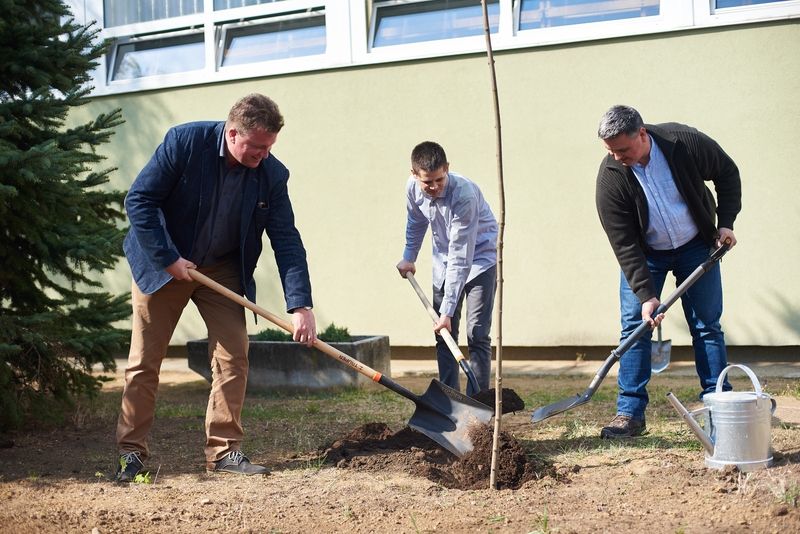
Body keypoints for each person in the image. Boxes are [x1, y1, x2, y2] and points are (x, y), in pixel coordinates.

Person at [115, 93, 316, 481]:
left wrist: (301, 305)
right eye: (256, 146)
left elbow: (287, 238)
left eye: (269, 147)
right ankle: (131, 453)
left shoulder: (272, 174)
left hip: (221, 270)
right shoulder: (185, 143)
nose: (263, 154)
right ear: (232, 132)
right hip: (166, 264)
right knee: (146, 361)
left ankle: (224, 451)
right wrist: (168, 258)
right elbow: (139, 200)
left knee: (233, 354)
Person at [595, 105, 741, 438]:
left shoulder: (684, 143)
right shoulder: (611, 179)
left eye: (623, 149)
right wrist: (646, 295)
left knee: (706, 325)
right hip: (647, 255)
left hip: (696, 246)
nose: (617, 157)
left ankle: (719, 406)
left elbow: (727, 173)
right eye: (610, 151)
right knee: (635, 325)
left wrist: (726, 223)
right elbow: (624, 244)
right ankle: (629, 414)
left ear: (642, 134)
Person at [396, 141, 498, 395]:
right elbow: (416, 222)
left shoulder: (464, 195)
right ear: (414, 175)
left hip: (479, 261)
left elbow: (461, 256)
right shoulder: (413, 188)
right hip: (444, 263)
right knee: (444, 336)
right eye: (427, 182)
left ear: (447, 169)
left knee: (477, 334)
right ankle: (451, 401)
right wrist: (409, 256)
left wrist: (447, 311)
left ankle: (480, 401)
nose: (433, 187)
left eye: (439, 180)